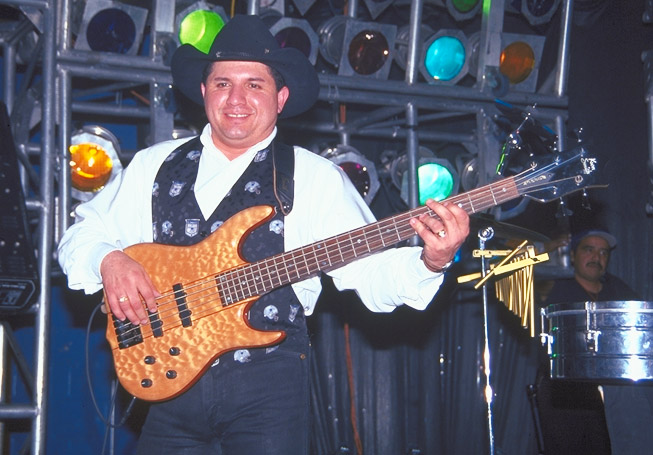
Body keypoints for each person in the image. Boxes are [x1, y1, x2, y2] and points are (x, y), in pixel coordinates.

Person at [57, 15, 470, 454]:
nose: (236, 98)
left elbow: (369, 273)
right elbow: (79, 236)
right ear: (204, 91)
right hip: (168, 383)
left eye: (254, 84)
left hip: (267, 391)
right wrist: (109, 260)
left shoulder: (314, 177)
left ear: (280, 98)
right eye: (223, 83)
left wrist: (432, 261)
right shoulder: (153, 165)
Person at [543, 229, 652, 455]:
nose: (597, 257)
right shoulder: (553, 287)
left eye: (603, 252)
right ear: (572, 255)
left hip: (616, 392)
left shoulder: (618, 288)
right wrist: (545, 250)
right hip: (569, 391)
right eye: (589, 250)